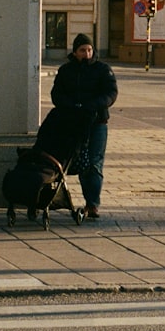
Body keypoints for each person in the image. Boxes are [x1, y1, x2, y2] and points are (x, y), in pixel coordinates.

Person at [50, 33, 118, 219]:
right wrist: (72, 106)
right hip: (74, 122)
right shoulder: (66, 70)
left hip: (97, 122)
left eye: (89, 50)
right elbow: (57, 95)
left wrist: (94, 105)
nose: (87, 53)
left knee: (95, 162)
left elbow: (111, 93)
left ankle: (92, 204)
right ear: (75, 52)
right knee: (80, 161)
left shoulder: (102, 69)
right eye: (82, 50)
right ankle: (89, 200)